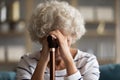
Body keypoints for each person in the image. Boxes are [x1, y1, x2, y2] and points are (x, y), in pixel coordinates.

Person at [16, 0, 100, 80]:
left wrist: (67, 58)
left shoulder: (88, 61)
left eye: (65, 41)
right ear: (41, 38)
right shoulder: (27, 61)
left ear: (73, 36)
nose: (58, 49)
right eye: (52, 42)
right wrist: (43, 60)